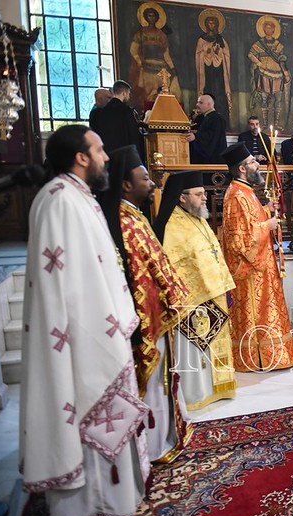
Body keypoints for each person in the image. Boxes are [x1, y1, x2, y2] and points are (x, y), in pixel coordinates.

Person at [20, 125, 148, 516]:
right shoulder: (60, 200)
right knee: (84, 406)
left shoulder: (79, 196)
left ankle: (113, 498)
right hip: (81, 338)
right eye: (100, 150)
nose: (106, 157)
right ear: (81, 157)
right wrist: (99, 333)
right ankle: (89, 505)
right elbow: (65, 284)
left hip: (101, 327)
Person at [96, 145, 192, 463]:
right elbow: (140, 278)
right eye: (145, 178)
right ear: (126, 185)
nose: (152, 184)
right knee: (153, 387)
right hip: (148, 319)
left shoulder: (134, 217)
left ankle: (167, 437)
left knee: (163, 384)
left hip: (158, 315)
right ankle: (153, 446)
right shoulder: (124, 224)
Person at [153, 170, 237, 410]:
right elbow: (175, 265)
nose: (204, 198)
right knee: (194, 348)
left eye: (204, 194)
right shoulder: (171, 225)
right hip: (192, 301)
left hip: (214, 293)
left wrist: (223, 286)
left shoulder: (198, 219)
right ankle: (195, 394)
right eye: (199, 194)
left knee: (214, 345)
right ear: (182, 197)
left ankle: (218, 389)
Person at [221, 142, 293, 372]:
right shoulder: (236, 195)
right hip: (251, 273)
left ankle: (272, 356)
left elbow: (250, 221)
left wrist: (265, 210)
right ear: (242, 168)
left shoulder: (246, 191)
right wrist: (268, 225)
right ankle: (256, 358)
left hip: (262, 267)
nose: (258, 165)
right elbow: (240, 239)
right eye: (253, 162)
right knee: (257, 314)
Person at [129, 3, 181, 109]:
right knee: (148, 94)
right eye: (149, 16)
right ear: (145, 17)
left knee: (162, 92)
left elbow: (166, 54)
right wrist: (139, 61)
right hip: (147, 67)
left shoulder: (162, 35)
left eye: (154, 16)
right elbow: (133, 50)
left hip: (160, 68)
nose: (151, 18)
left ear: (157, 18)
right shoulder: (141, 33)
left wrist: (172, 67)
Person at [248, 15, 291, 129]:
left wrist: (285, 72)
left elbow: (282, 60)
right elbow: (250, 54)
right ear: (263, 29)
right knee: (264, 98)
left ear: (274, 30)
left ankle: (276, 124)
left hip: (277, 74)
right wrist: (259, 63)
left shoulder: (278, 45)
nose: (268, 30)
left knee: (278, 99)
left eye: (271, 28)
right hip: (264, 73)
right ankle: (265, 124)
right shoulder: (259, 44)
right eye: (266, 28)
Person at [195, 9, 232, 127]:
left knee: (220, 93)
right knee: (208, 88)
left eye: (214, 23)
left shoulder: (221, 39)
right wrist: (206, 52)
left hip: (219, 71)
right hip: (206, 70)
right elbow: (198, 54)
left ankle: (223, 115)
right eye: (209, 23)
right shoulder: (201, 39)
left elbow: (226, 54)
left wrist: (218, 52)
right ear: (206, 25)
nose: (212, 25)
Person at [94, 80, 145, 162]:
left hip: (108, 152)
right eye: (128, 93)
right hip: (124, 153)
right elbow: (132, 133)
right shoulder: (126, 110)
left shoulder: (103, 110)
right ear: (124, 93)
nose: (129, 96)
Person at [186, 93, 227, 164]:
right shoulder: (204, 117)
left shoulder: (217, 118)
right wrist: (196, 132)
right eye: (198, 102)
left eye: (200, 103)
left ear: (209, 105)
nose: (197, 105)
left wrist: (195, 136)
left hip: (213, 161)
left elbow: (211, 137)